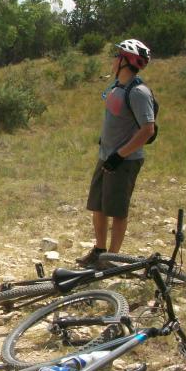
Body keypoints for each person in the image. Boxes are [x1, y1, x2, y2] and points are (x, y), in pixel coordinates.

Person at [76, 38, 155, 268]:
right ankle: (99, 251)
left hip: (124, 160)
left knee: (117, 210)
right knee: (98, 205)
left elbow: (148, 129)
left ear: (124, 61)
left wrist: (120, 155)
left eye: (116, 56)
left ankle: (111, 258)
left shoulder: (139, 92)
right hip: (106, 156)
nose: (113, 60)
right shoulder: (117, 87)